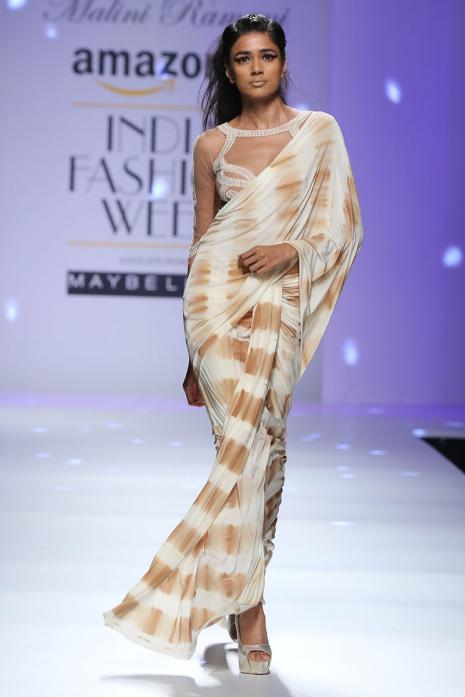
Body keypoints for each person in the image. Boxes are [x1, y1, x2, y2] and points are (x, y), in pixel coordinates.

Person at [102, 13, 364, 676]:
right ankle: (251, 612)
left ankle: (234, 584)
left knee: (264, 451)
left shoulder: (318, 132)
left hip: (278, 301)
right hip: (214, 307)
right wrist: (189, 353)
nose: (256, 67)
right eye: (243, 58)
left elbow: (343, 226)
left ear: (283, 63)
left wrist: (290, 249)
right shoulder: (211, 145)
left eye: (266, 55)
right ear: (228, 70)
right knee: (237, 452)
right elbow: (201, 243)